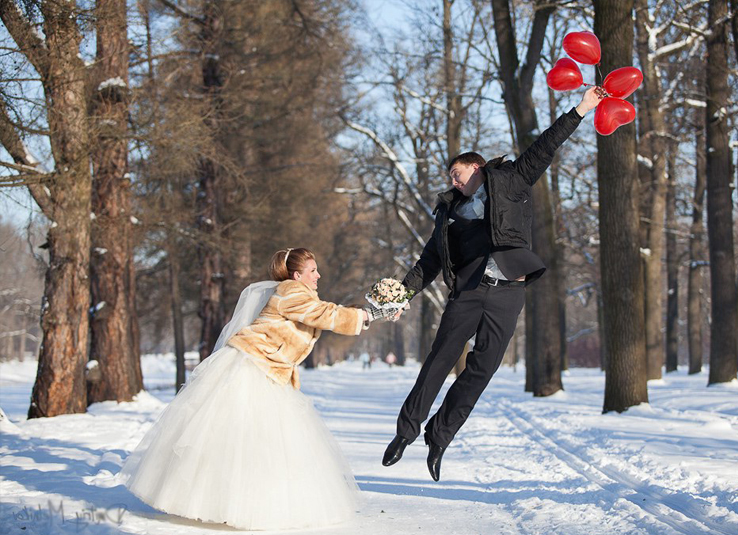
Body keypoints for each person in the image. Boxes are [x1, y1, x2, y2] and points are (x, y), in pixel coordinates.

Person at [382, 87, 603, 481]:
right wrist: (400, 294)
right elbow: (429, 260)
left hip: (508, 293)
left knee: (483, 368)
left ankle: (440, 435)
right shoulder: (448, 212)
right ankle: (406, 432)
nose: (452, 179)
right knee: (439, 360)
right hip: (468, 291)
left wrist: (582, 109)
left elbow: (545, 146)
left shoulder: (512, 180)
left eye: (457, 172)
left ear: (477, 167)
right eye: (451, 176)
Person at [118, 248, 396, 531]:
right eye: (313, 270)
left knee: (255, 442)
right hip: (252, 366)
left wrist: (371, 316)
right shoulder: (291, 291)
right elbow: (324, 314)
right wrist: (367, 314)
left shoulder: (298, 294)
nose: (318, 275)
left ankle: (237, 503)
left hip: (268, 368)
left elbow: (322, 313)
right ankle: (219, 504)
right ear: (297, 275)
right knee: (243, 440)